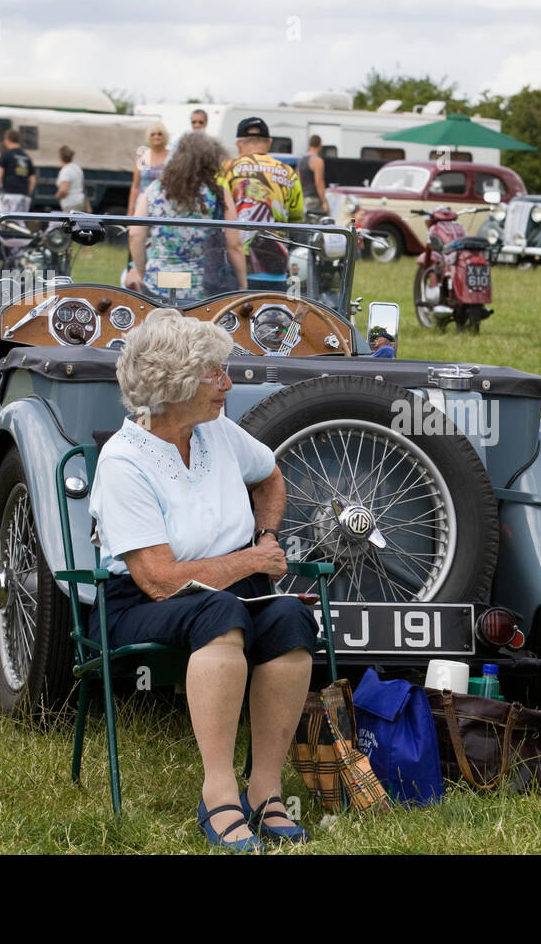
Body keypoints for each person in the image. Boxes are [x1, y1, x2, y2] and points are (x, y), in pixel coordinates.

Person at [89, 308, 317, 849]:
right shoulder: (124, 462)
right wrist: (252, 563)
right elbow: (160, 580)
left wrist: (265, 537)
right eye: (214, 373)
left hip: (230, 595)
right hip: (136, 603)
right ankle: (218, 796)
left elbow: (270, 477)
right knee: (222, 612)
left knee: (289, 616)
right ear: (173, 383)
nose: (228, 383)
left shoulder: (218, 432)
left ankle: (265, 792)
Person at [124, 131, 247, 301]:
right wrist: (242, 283)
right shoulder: (218, 193)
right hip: (203, 290)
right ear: (210, 160)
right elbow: (234, 245)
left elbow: (135, 235)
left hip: (158, 284)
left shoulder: (154, 189)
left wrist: (144, 272)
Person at [218, 116, 304, 225]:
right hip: (278, 240)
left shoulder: (227, 168)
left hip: (236, 240)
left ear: (238, 145)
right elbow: (296, 216)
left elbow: (216, 206)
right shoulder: (288, 172)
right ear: (269, 143)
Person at [128, 122, 170, 216]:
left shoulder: (171, 157)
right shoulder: (142, 157)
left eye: (160, 134)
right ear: (148, 137)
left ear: (165, 136)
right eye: (153, 134)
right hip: (142, 205)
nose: (156, 136)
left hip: (164, 205)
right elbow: (135, 186)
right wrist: (130, 211)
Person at [0, 128, 36, 212]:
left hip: (8, 195)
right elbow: (32, 179)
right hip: (24, 196)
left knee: (2, 221)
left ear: (7, 140)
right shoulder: (26, 157)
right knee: (19, 223)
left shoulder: (6, 155)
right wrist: (27, 192)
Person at [298, 135, 329, 218]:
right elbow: (319, 182)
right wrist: (324, 201)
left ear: (309, 145)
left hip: (303, 199)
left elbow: (298, 180)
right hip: (314, 199)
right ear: (320, 146)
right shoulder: (317, 160)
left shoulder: (301, 160)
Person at [55, 145, 88, 213]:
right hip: (80, 201)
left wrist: (57, 196)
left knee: (70, 223)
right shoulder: (77, 168)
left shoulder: (66, 170)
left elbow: (64, 190)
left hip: (70, 204)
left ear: (60, 158)